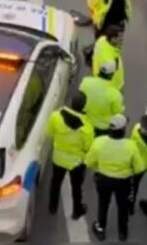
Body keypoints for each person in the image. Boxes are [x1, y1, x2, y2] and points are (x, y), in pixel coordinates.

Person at [85, 114, 143, 242]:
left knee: (103, 204)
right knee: (123, 206)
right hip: (123, 182)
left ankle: (100, 229)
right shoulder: (131, 145)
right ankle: (122, 233)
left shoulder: (99, 142)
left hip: (103, 179)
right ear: (123, 130)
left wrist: (99, 168)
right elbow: (139, 168)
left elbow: (89, 162)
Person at [45, 91, 93, 220]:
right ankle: (77, 210)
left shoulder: (55, 116)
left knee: (55, 183)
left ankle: (52, 207)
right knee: (76, 187)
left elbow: (49, 133)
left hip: (58, 158)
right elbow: (88, 147)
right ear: (83, 107)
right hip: (76, 162)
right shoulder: (87, 127)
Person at [79, 60, 125, 137]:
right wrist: (122, 108)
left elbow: (80, 98)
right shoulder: (115, 94)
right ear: (111, 75)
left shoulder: (85, 81)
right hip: (104, 128)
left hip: (86, 123)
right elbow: (116, 112)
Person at [92, 24, 126, 91]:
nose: (122, 39)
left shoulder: (101, 40)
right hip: (114, 88)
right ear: (113, 39)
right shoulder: (110, 62)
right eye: (120, 37)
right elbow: (105, 82)